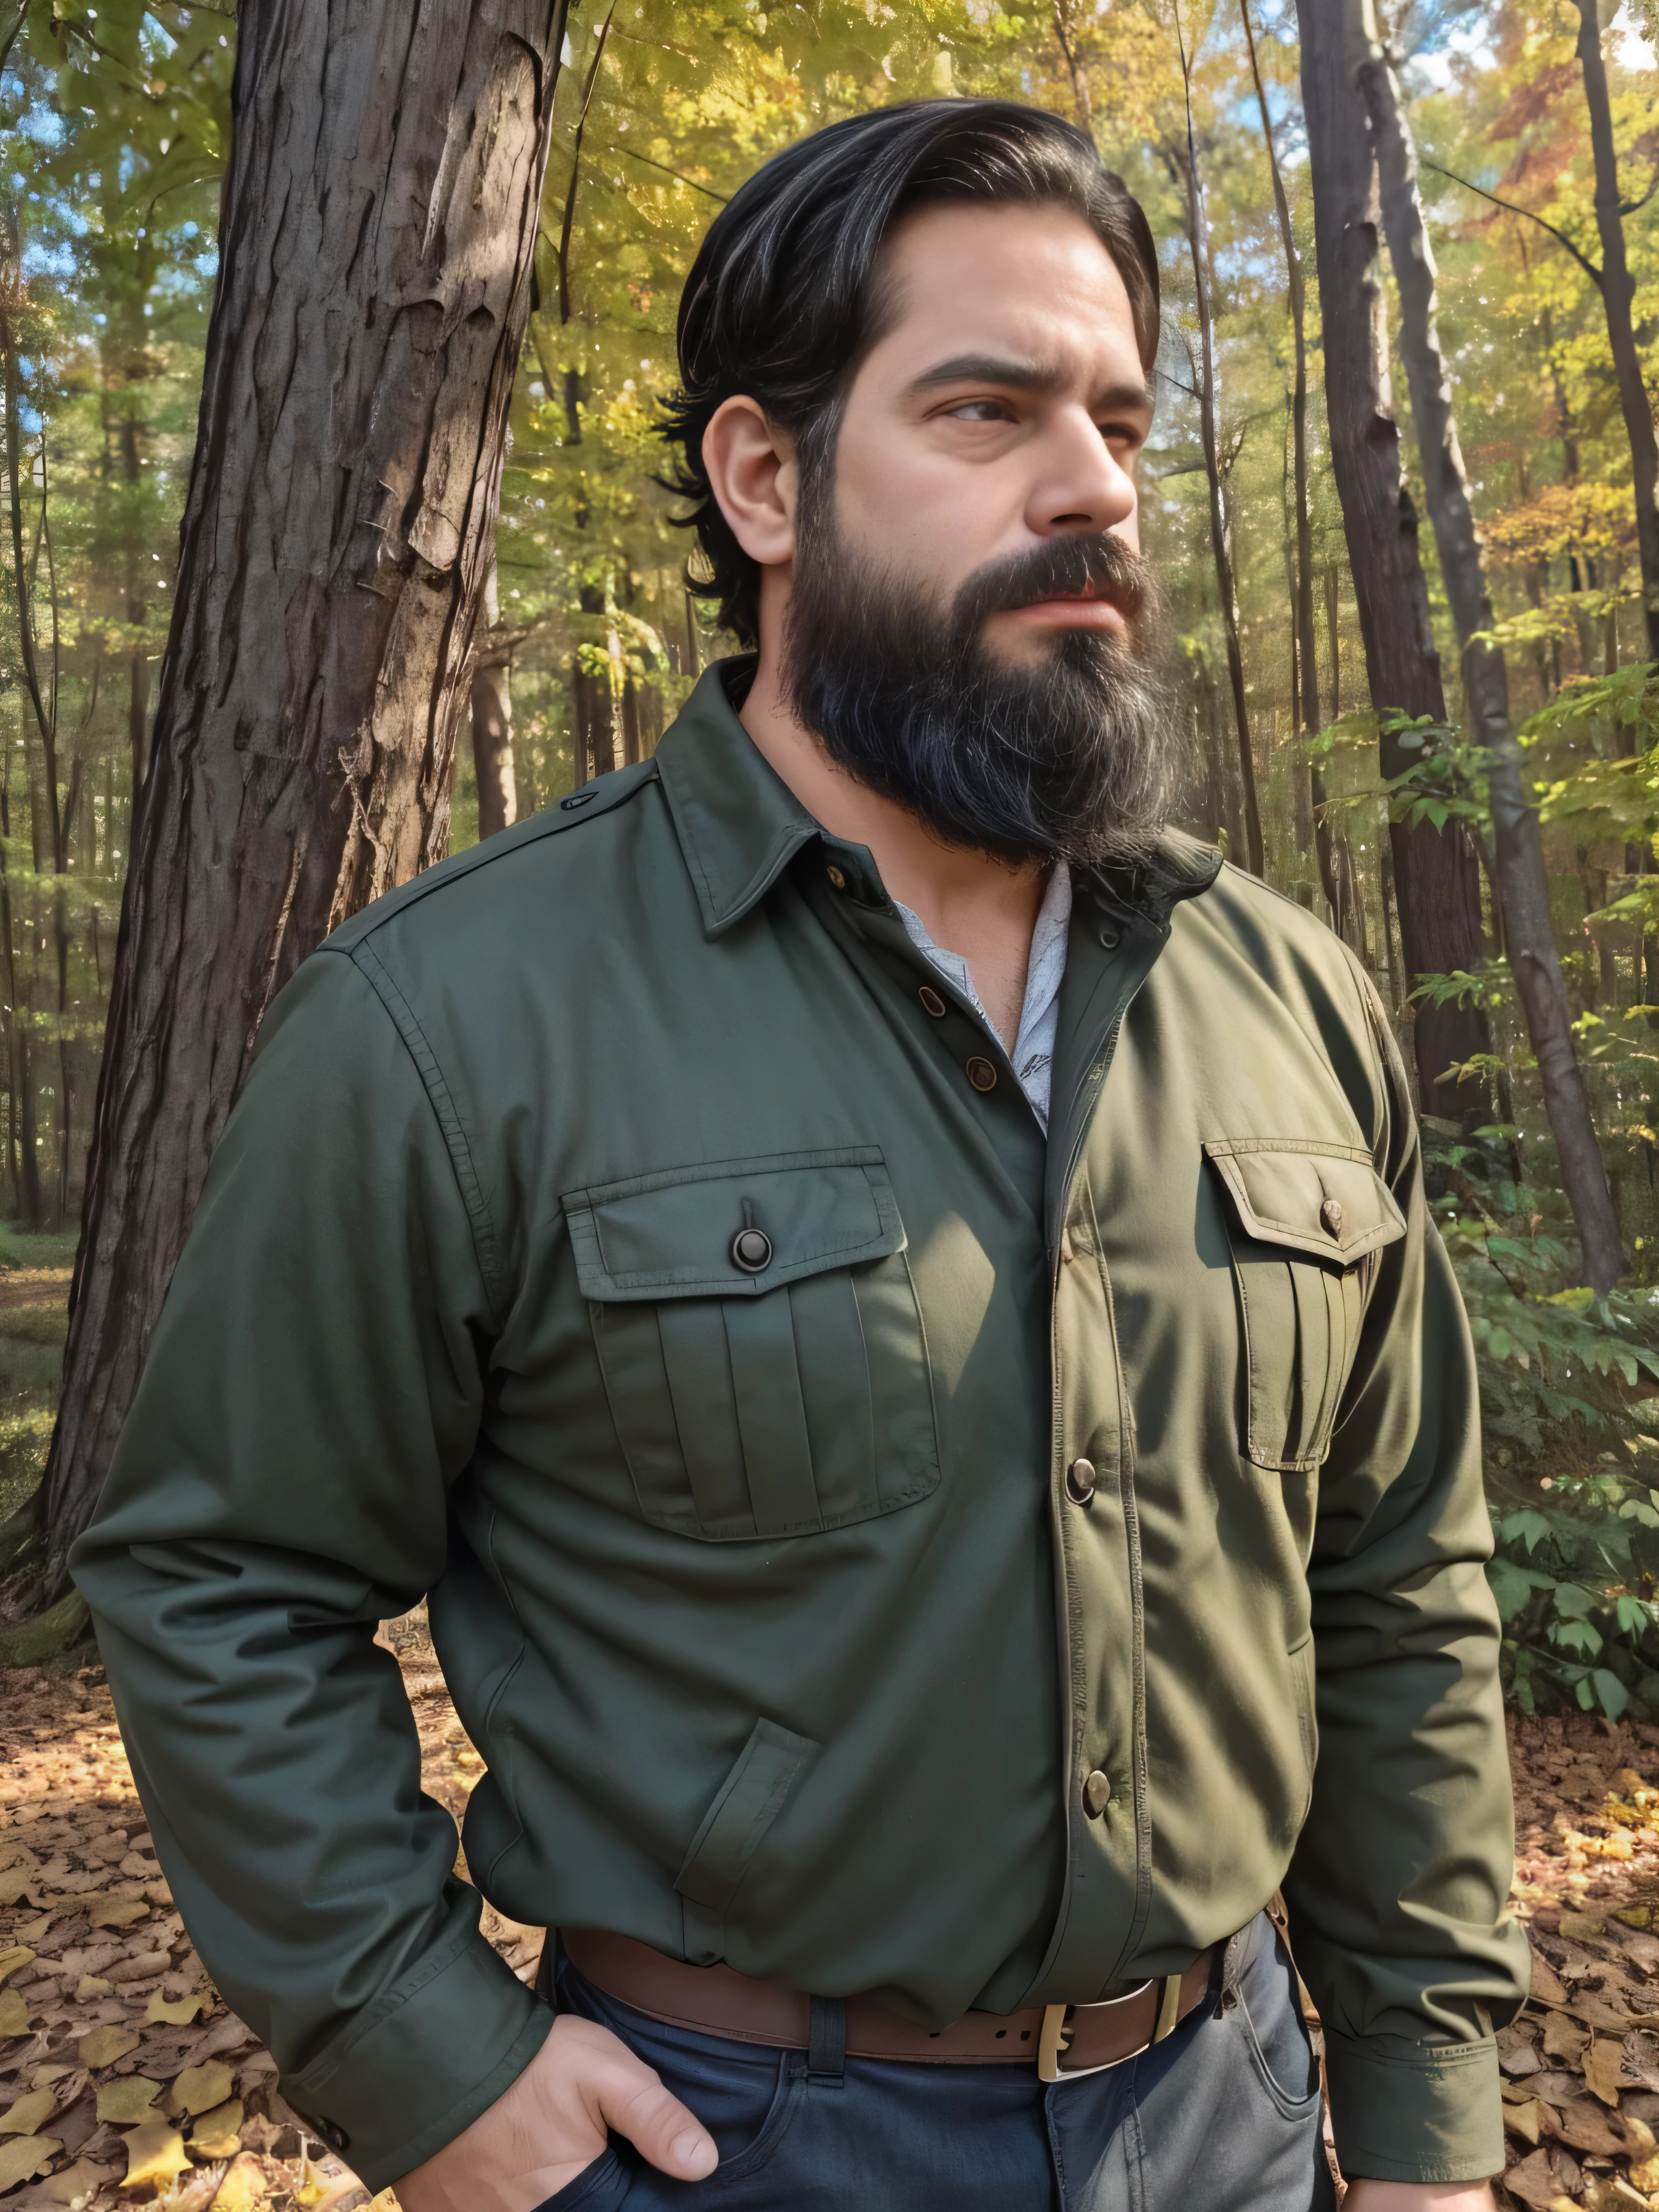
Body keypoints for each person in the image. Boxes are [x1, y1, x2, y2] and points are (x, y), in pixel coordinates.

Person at [72, 98, 1528, 2212]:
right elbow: (221, 1575)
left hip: (1237, 2116)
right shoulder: (453, 1012)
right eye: (988, 407)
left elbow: (1399, 1593)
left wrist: (1426, 2128)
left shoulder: (1283, 998)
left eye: (1124, 417)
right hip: (729, 2146)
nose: (1097, 486)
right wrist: (427, 2055)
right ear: (767, 476)